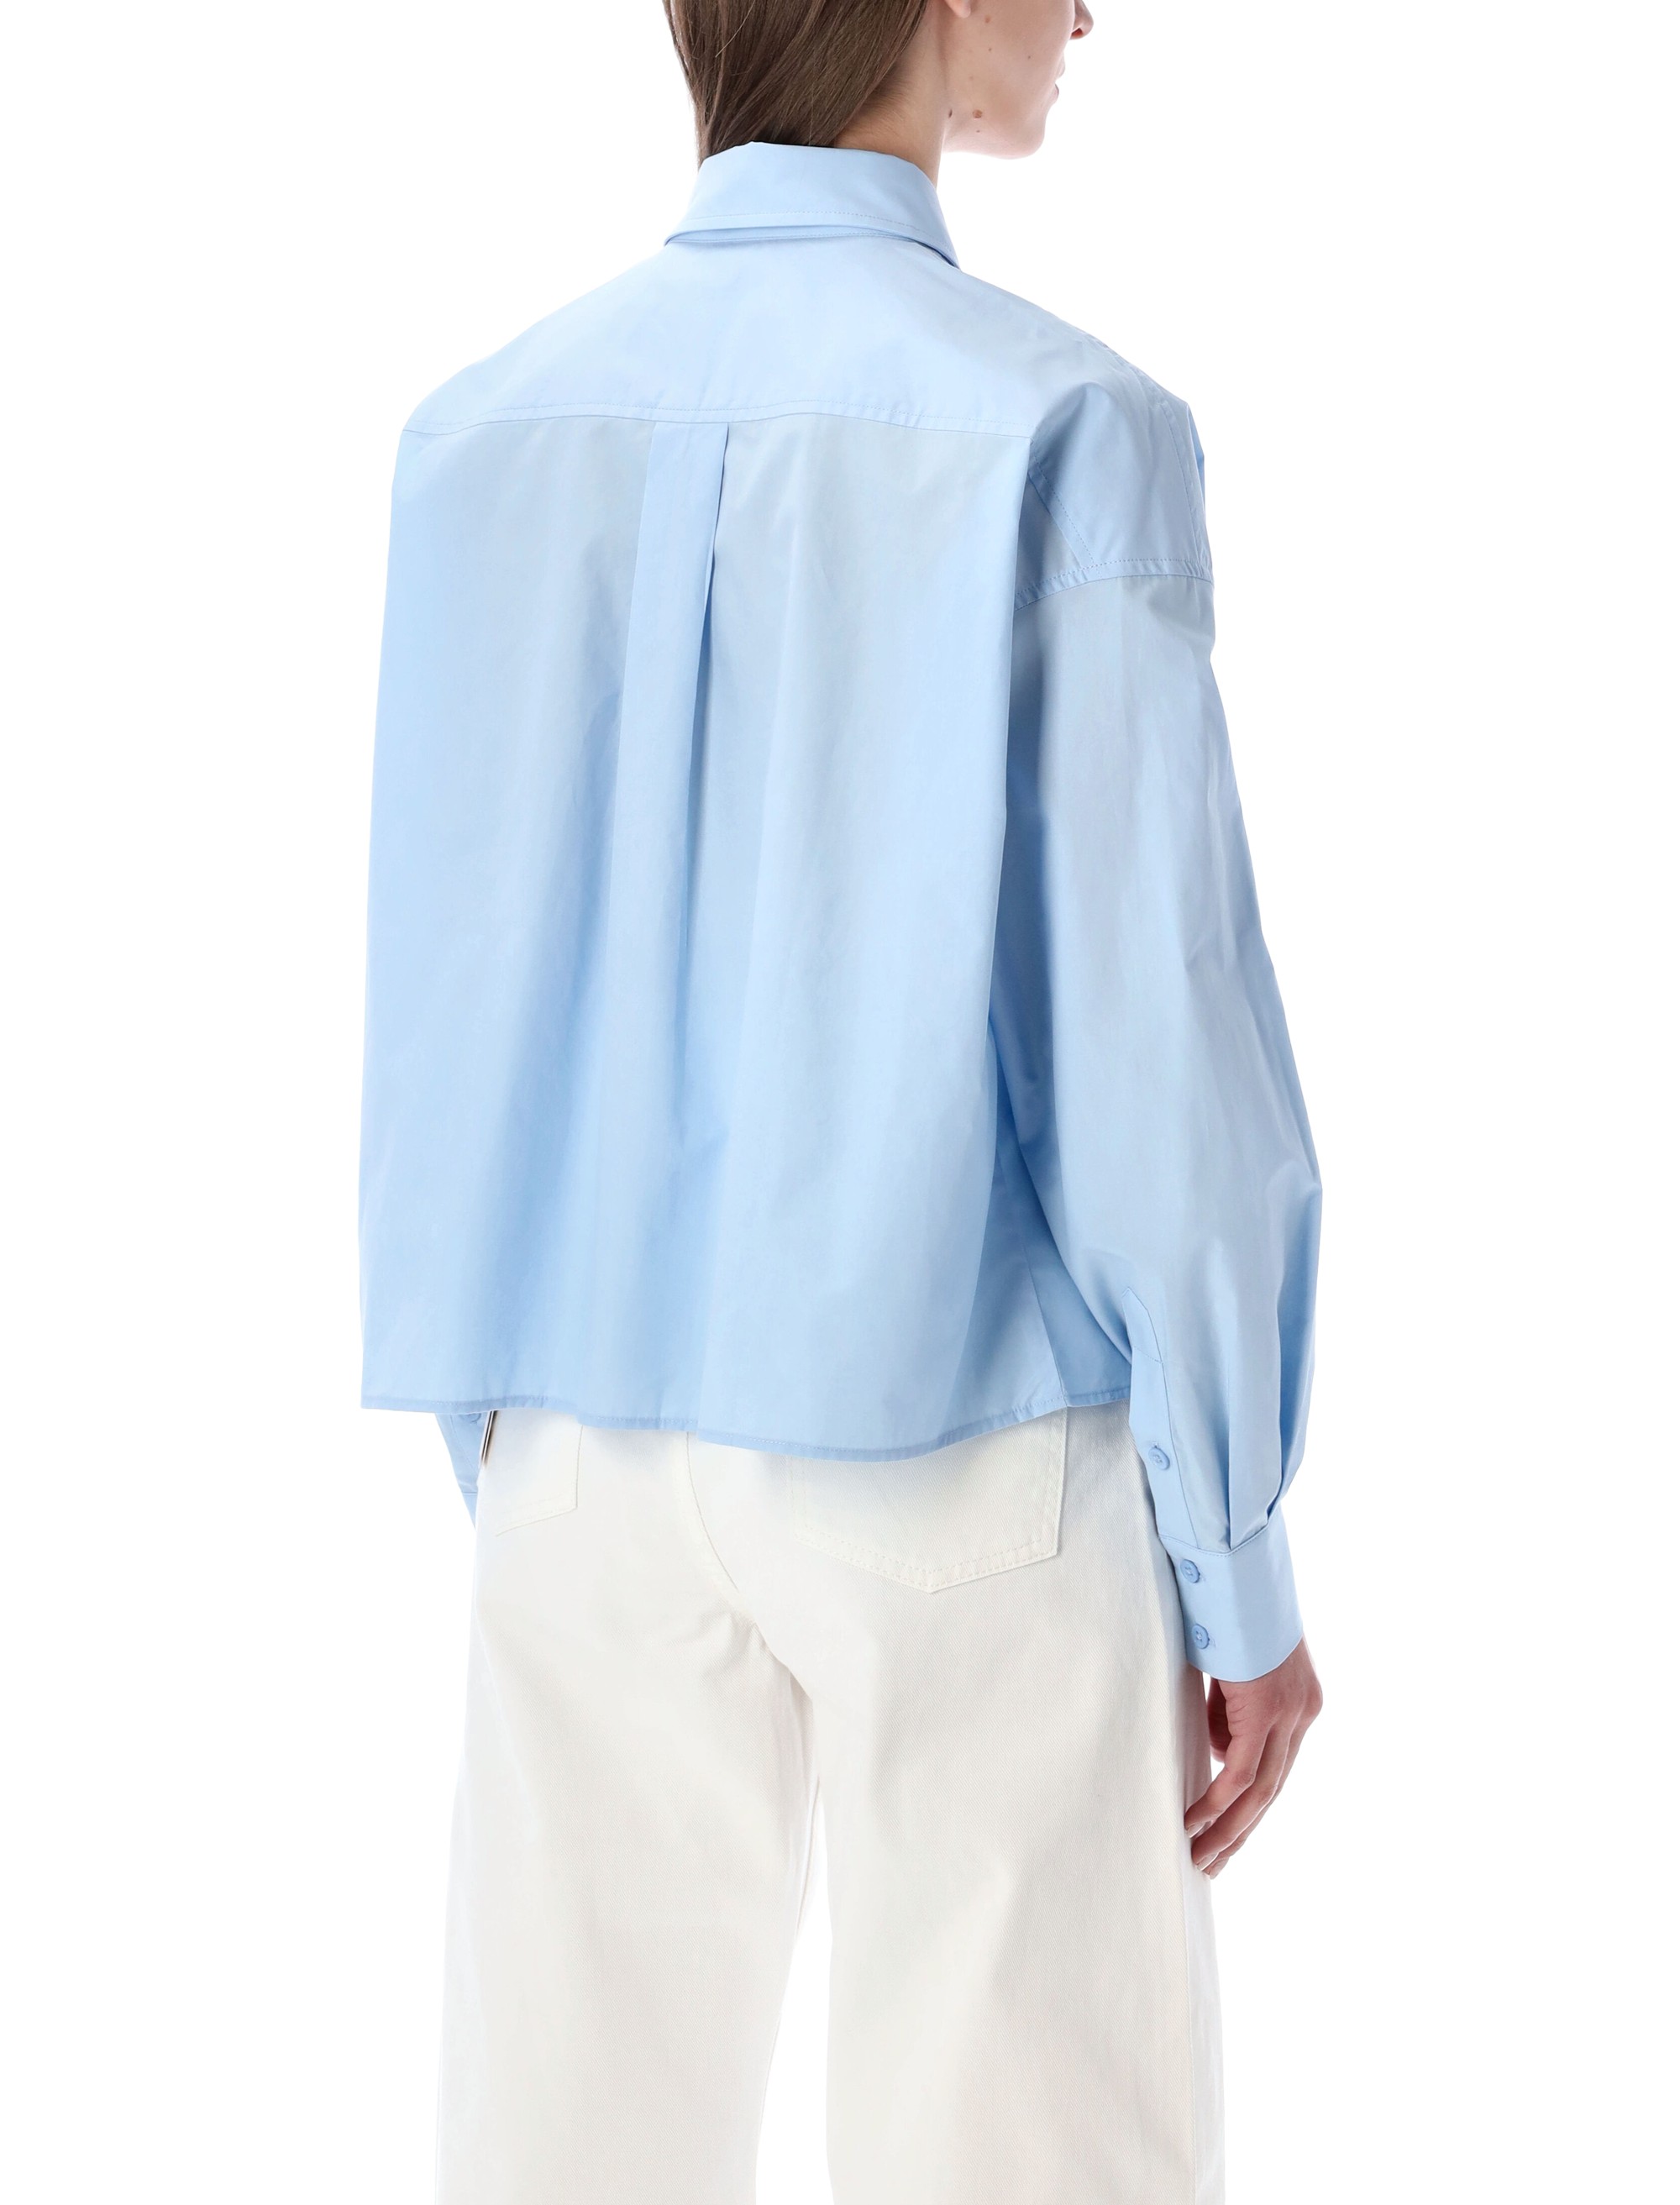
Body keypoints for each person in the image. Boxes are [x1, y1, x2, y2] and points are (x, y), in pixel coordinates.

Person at [360, 0, 1325, 2196]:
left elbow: (449, 985)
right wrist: (1236, 1553)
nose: (1086, 12)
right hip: (968, 1444)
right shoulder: (1069, 429)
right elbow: (1151, 1038)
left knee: (562, 2159)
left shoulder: (483, 430)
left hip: (574, 1441)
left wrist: (503, 1432)